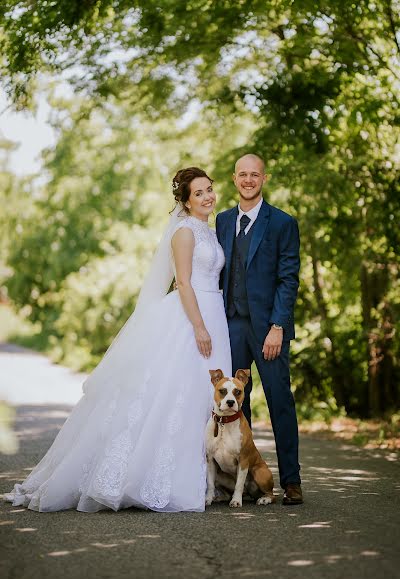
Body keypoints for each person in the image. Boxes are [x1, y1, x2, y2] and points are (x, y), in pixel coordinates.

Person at [5, 167, 232, 513]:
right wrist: (200, 327)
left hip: (215, 313)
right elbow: (183, 284)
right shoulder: (184, 233)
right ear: (185, 201)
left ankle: (203, 479)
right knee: (174, 396)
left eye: (209, 190)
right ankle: (158, 478)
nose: (207, 197)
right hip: (192, 318)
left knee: (202, 397)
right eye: (199, 193)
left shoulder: (209, 231)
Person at [216, 154, 303, 505]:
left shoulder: (282, 223)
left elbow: (288, 278)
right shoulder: (221, 221)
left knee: (280, 400)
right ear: (234, 179)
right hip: (231, 325)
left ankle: (292, 481)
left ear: (263, 178)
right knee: (237, 406)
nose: (248, 180)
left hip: (269, 329)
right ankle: (247, 480)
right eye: (242, 175)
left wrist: (278, 325)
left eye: (255, 174)